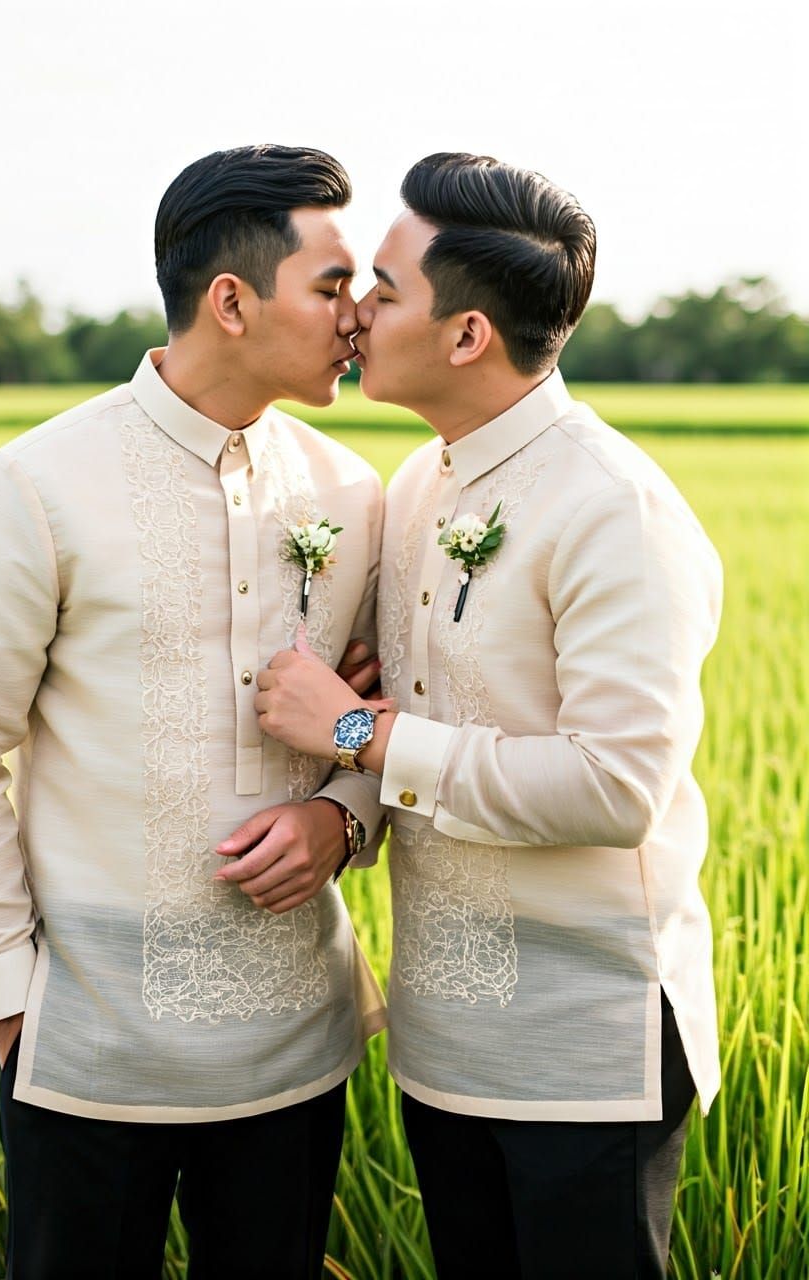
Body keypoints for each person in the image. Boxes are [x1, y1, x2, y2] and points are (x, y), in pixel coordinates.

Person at [0, 144, 389, 1279]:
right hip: (82, 1046)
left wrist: (339, 819)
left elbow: (377, 712)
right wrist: (5, 993)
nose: (357, 316)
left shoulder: (350, 492)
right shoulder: (34, 484)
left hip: (295, 1044)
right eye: (329, 285)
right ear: (229, 299)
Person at [249, 152, 724, 1278]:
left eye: (384, 286)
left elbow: (613, 787)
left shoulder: (614, 509)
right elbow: (391, 698)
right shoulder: (416, 486)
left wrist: (359, 732)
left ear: (466, 334)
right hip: (443, 1041)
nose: (354, 311)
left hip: (583, 1043)